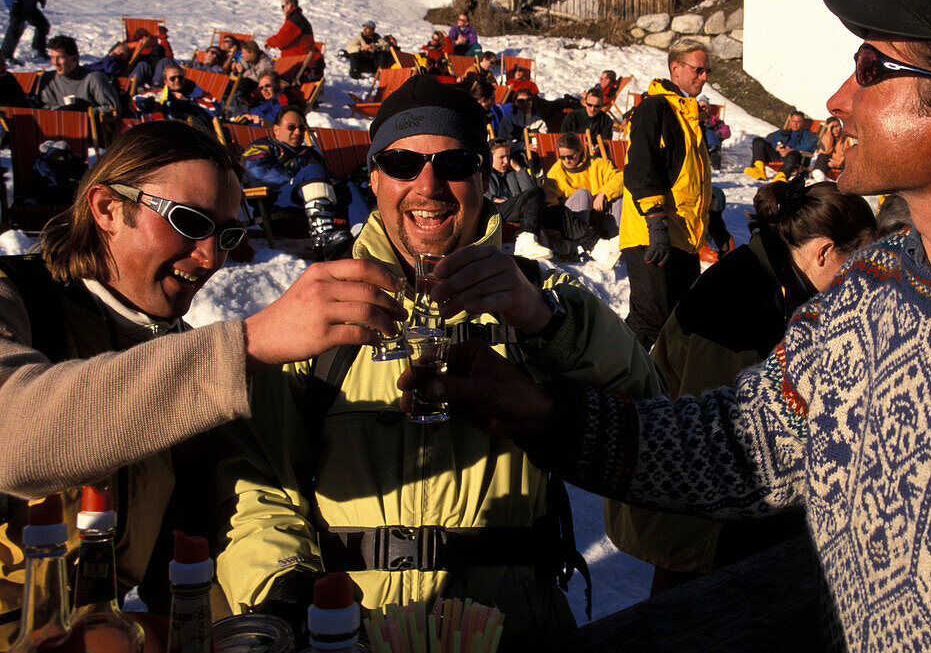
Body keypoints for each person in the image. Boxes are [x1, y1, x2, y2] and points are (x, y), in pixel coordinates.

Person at [423, 0, 931, 650]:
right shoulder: (872, 288)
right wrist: (541, 412)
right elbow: (744, 443)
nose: (838, 98)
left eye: (871, 68)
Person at [216, 74, 664, 648]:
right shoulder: (321, 307)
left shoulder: (542, 302)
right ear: (374, 176)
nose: (428, 186)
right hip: (353, 629)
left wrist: (549, 324)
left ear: (484, 176)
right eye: (403, 164)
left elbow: (651, 418)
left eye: (454, 163)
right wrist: (284, 590)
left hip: (510, 627)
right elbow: (258, 482)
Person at [0, 119, 409, 646]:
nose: (210, 257)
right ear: (106, 208)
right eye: (189, 221)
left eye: (227, 234)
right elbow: (14, 437)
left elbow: (189, 554)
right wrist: (250, 343)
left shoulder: (182, 356)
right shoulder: (17, 300)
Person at [607, 177, 876, 596]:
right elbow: (724, 443)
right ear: (824, 251)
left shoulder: (778, 279)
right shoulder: (742, 303)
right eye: (858, 263)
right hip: (699, 520)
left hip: (717, 515)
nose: (863, 281)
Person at [618, 38, 713, 350]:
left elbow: (693, 181)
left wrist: (716, 227)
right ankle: (609, 385)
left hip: (682, 235)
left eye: (707, 71)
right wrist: (656, 220)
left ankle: (661, 389)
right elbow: (639, 167)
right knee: (650, 319)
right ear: (676, 68)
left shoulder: (689, 117)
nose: (704, 77)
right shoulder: (655, 107)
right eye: (699, 70)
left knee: (679, 320)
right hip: (651, 231)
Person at [241, 105, 357, 260]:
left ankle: (357, 236)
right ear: (276, 129)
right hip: (275, 202)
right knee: (313, 171)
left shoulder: (309, 153)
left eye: (301, 129)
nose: (297, 132)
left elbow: (329, 180)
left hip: (307, 207)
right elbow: (257, 174)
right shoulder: (262, 146)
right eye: (291, 127)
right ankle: (323, 238)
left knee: (348, 187)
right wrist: (299, 179)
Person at [485, 138, 600, 259]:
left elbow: (530, 193)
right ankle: (525, 241)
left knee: (560, 211)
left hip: (520, 210)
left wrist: (520, 170)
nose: (506, 161)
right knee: (536, 194)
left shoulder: (512, 174)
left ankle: (594, 243)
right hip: (497, 211)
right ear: (490, 158)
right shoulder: (486, 174)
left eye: (508, 156)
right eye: (501, 157)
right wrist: (500, 200)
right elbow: (485, 197)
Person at [543, 132, 622, 235]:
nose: (567, 161)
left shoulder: (597, 164)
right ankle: (583, 240)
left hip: (597, 212)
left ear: (580, 150)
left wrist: (603, 193)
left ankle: (614, 239)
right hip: (572, 218)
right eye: (562, 157)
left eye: (570, 156)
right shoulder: (555, 173)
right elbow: (549, 203)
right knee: (583, 194)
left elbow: (621, 177)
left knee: (618, 195)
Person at [37, 35, 122, 113]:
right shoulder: (48, 79)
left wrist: (83, 112)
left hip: (90, 127)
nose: (55, 63)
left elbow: (113, 108)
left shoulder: (93, 78)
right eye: (52, 58)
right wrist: (63, 111)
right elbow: (44, 108)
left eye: (60, 58)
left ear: (75, 58)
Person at [132, 63, 223, 126]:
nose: (177, 81)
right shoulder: (159, 93)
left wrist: (189, 102)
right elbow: (134, 101)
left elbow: (216, 110)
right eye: (173, 78)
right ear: (166, 82)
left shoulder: (197, 92)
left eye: (180, 77)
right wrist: (147, 103)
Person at [744, 110, 818, 180]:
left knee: (793, 154)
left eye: (798, 122)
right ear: (790, 121)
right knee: (758, 141)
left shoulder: (809, 135)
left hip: (794, 158)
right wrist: (776, 147)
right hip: (778, 155)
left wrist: (790, 150)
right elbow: (768, 139)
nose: (795, 124)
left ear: (803, 123)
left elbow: (810, 146)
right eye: (793, 121)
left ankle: (782, 175)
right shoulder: (782, 132)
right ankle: (759, 170)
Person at [696, 95, 730, 171]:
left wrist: (719, 133)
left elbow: (726, 130)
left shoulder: (714, 120)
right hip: (698, 143)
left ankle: (716, 166)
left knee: (709, 132)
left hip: (711, 144)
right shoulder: (694, 118)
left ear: (708, 108)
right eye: (700, 107)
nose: (702, 109)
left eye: (704, 106)